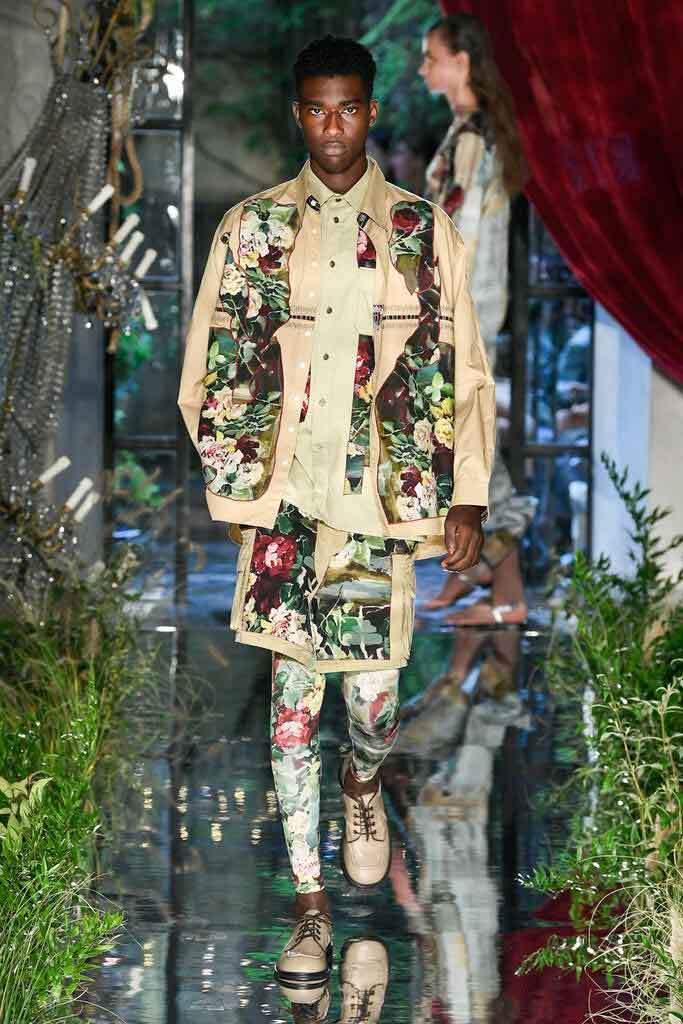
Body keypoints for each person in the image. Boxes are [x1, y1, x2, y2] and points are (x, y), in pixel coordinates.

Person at [178, 34, 495, 1006]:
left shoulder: (418, 231)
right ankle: (309, 904)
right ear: (297, 114)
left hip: (369, 506)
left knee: (368, 704)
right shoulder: (253, 230)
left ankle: (362, 782)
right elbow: (209, 365)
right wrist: (235, 479)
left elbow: (461, 364)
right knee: (290, 706)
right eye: (315, 109)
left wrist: (467, 491)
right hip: (284, 504)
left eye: (347, 108)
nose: (331, 127)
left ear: (369, 111)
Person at [419, 13, 537, 626]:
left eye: (431, 57)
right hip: (467, 305)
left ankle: (496, 581)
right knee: (464, 439)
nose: (423, 68)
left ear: (461, 62)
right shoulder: (472, 130)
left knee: (468, 442)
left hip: (464, 308)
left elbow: (459, 231)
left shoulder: (474, 136)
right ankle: (480, 575)